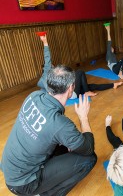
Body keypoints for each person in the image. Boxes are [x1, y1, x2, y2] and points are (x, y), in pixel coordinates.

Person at [1, 34, 97, 195]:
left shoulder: (33, 96)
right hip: (24, 184)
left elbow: (47, 69)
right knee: (90, 159)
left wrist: (46, 45)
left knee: (65, 145)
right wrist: (83, 117)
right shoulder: (60, 124)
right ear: (71, 88)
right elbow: (87, 149)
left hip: (11, 169)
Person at [37, 35, 122, 99]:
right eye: (52, 66)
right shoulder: (47, 75)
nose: (54, 66)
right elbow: (47, 58)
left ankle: (113, 85)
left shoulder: (50, 79)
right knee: (80, 72)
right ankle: (87, 92)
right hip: (71, 94)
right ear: (47, 68)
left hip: (70, 92)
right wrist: (45, 42)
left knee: (92, 86)